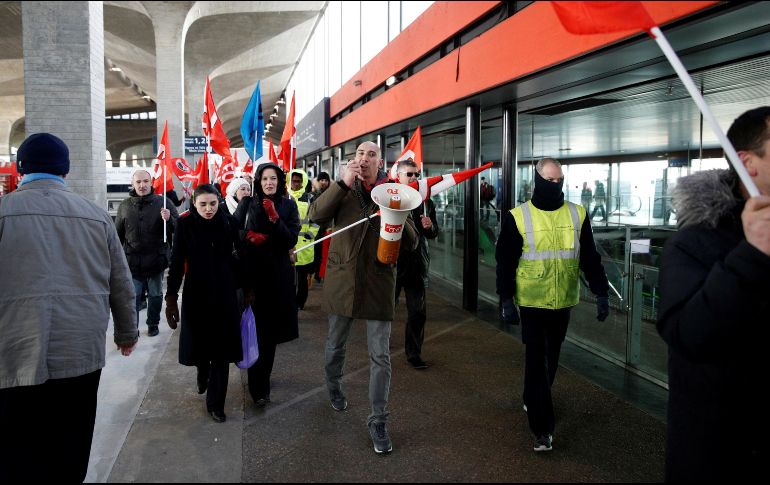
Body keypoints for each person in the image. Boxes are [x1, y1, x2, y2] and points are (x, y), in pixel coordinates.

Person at [0, 133, 137, 482]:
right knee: (71, 442)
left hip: (13, 351)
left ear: (20, 169)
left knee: (17, 446)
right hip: (80, 350)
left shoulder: (3, 212)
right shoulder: (95, 215)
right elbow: (120, 281)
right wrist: (126, 332)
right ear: (66, 170)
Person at [656, 107, 770, 481]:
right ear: (748, 163)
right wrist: (752, 256)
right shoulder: (694, 243)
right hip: (721, 454)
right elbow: (688, 334)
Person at [309, 141, 418, 454]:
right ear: (353, 160)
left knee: (380, 357)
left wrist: (396, 213)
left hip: (378, 284)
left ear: (380, 161)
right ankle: (333, 385)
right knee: (334, 345)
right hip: (343, 280)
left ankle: (379, 420)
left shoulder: (392, 190)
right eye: (360, 154)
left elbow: (411, 243)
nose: (365, 158)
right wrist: (342, 184)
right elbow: (317, 216)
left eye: (371, 154)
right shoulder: (344, 189)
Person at [496, 157, 609, 453]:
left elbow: (590, 257)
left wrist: (601, 292)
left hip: (564, 300)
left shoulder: (578, 214)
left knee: (552, 357)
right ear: (537, 180)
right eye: (549, 180)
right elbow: (505, 261)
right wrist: (506, 299)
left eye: (559, 180)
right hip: (532, 301)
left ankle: (532, 398)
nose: (555, 185)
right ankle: (542, 429)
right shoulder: (518, 216)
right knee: (537, 360)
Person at [164, 184, 242, 423]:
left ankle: (216, 404)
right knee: (201, 346)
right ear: (194, 204)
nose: (208, 209)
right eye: (203, 204)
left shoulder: (229, 223)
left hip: (225, 295)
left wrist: (246, 289)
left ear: (219, 202)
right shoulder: (185, 225)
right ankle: (201, 369)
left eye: (213, 204)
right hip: (196, 295)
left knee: (221, 351)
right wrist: (170, 298)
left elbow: (240, 257)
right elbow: (177, 263)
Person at [234, 163, 301, 407]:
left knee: (270, 336)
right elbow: (231, 230)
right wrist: (246, 236)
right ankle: (257, 386)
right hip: (253, 276)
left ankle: (263, 383)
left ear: (279, 181)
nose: (269, 183)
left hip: (278, 276)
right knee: (256, 330)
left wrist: (275, 219)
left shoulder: (288, 205)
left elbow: (291, 239)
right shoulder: (247, 203)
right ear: (258, 182)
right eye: (264, 179)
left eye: (273, 179)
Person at [115, 168, 178, 337]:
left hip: (156, 259)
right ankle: (132, 328)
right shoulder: (125, 206)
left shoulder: (163, 203)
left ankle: (153, 324)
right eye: (138, 182)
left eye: (145, 181)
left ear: (151, 183)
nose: (142, 185)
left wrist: (169, 219)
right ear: (132, 184)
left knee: (156, 295)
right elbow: (117, 234)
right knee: (133, 296)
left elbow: (179, 228)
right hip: (132, 261)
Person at [394, 159, 439, 370]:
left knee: (417, 313)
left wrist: (429, 227)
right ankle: (379, 350)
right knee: (385, 310)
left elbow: (434, 233)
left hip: (417, 264)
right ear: (399, 176)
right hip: (392, 264)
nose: (413, 178)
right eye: (409, 174)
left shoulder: (426, 201)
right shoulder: (389, 197)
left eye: (416, 174)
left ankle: (414, 353)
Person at [288, 168, 319, 310]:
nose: (296, 183)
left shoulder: (310, 198)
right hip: (288, 245)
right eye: (294, 181)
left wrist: (311, 235)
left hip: (304, 245)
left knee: (301, 279)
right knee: (288, 278)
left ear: (303, 182)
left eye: (299, 181)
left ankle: (300, 302)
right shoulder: (285, 197)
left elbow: (316, 219)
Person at [312, 171, 332, 283]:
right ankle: (316, 272)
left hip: (327, 227)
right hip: (315, 226)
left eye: (326, 180)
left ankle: (321, 274)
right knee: (316, 250)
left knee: (325, 251)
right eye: (322, 180)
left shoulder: (331, 194)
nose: (324, 182)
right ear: (318, 182)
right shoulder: (314, 195)